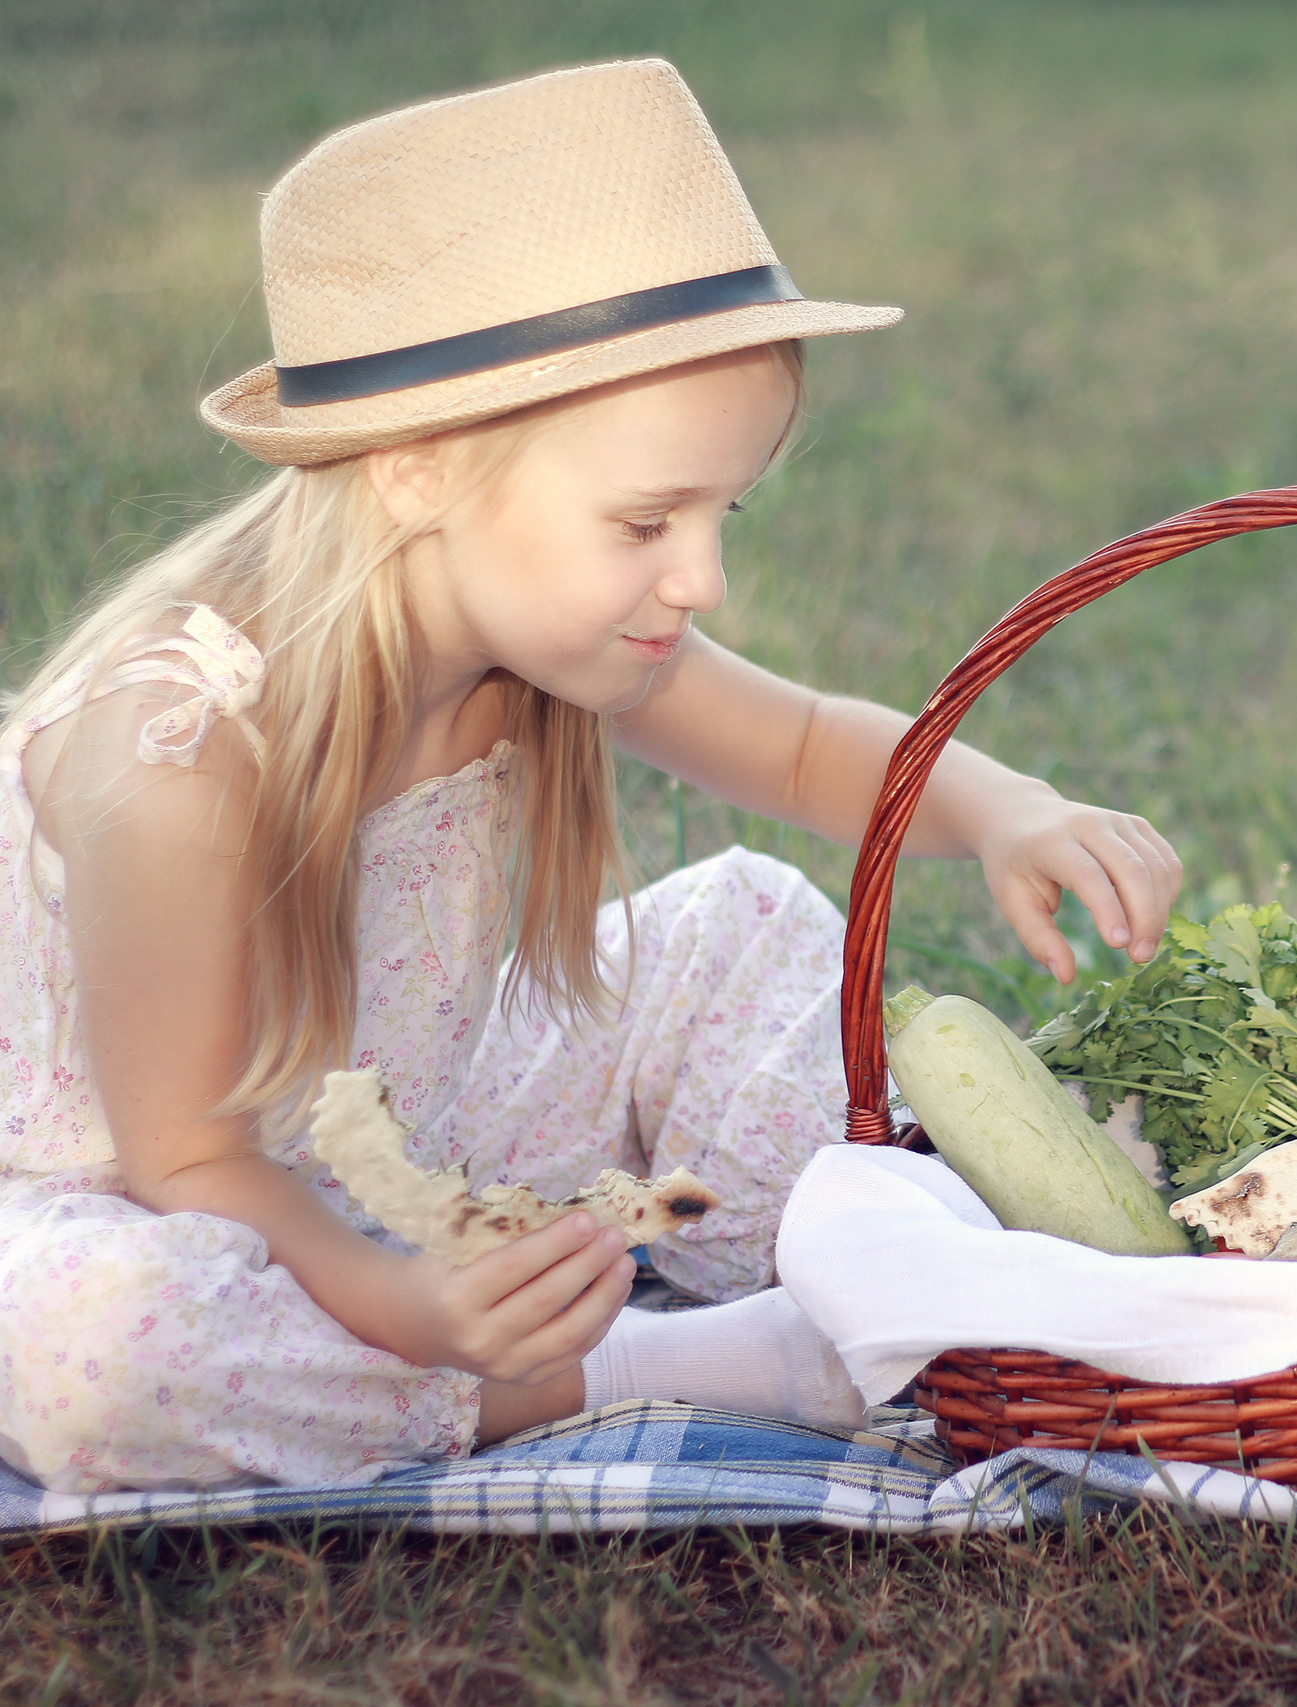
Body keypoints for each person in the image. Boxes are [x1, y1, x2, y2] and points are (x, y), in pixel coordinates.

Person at [0, 60, 1182, 1492]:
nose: (703, 576)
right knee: (103, 1353)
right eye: (646, 521)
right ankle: (657, 1361)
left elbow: (807, 745)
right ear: (418, 469)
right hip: (125, 1193)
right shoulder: (178, 753)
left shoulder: (543, 641)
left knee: (748, 925)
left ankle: (925, 1247)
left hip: (404, 1122)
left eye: (718, 512)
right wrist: (409, 1310)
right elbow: (190, 1162)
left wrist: (1008, 808)